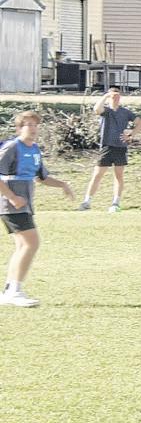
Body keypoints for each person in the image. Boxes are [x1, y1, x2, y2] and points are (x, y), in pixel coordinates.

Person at [0, 111, 76, 307]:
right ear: (19, 128)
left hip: (24, 205)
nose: (33, 129)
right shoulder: (11, 147)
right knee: (31, 243)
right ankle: (14, 291)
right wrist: (12, 197)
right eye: (28, 125)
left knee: (22, 246)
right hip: (11, 205)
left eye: (35, 125)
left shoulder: (34, 149)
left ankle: (9, 291)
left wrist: (63, 185)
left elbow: (42, 177)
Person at [80, 85, 141, 212]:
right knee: (97, 174)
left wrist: (131, 135)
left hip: (120, 147)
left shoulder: (125, 112)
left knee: (118, 175)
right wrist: (106, 96)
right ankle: (87, 201)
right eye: (113, 96)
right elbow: (96, 109)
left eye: (117, 96)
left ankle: (115, 203)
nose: (115, 98)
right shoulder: (106, 111)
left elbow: (140, 123)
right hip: (107, 146)